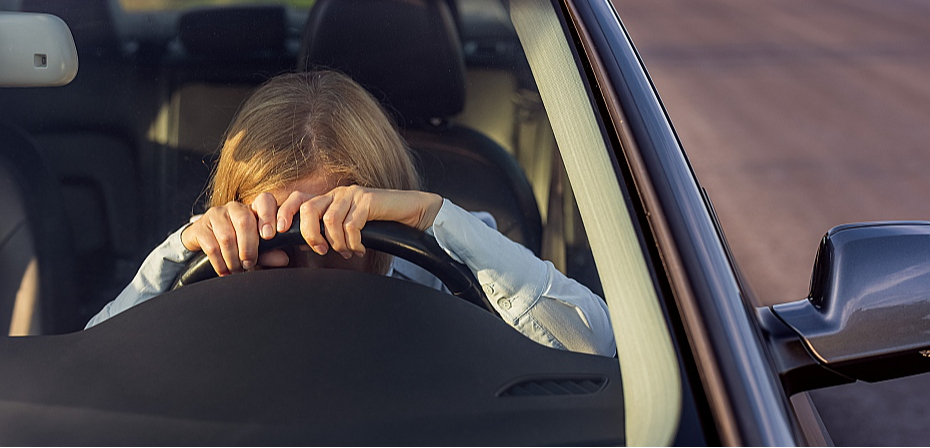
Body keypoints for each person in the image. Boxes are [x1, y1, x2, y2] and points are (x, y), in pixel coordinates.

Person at [86, 71, 615, 357]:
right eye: (283, 237)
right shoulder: (205, 286)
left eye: (339, 227)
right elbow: (88, 370)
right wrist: (184, 254)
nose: (311, 260)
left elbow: (599, 346)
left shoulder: (449, 270)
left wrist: (435, 221)